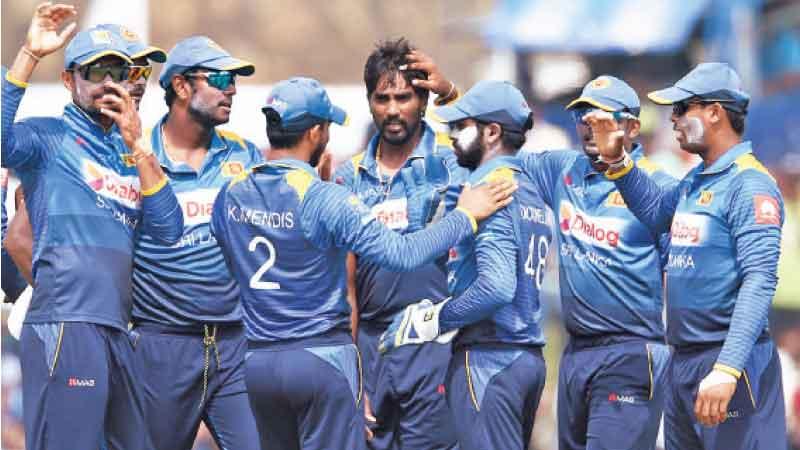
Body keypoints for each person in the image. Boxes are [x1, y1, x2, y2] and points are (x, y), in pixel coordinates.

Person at [210, 76, 514, 450]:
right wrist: (465, 216)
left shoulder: (231, 193)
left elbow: (235, 262)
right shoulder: (325, 197)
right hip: (320, 359)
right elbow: (404, 254)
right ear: (316, 132)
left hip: (257, 363)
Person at [2, 4, 183, 450]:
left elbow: (169, 231)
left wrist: (140, 145)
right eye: (101, 69)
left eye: (128, 70)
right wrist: (28, 54)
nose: (114, 82)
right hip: (66, 324)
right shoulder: (47, 139)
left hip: (118, 329)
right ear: (69, 80)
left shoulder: (134, 152)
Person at [587, 62, 787, 449]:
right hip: (683, 363)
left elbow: (760, 279)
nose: (672, 120)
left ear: (714, 112)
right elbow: (656, 213)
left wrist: (727, 370)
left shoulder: (748, 184)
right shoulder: (696, 179)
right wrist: (617, 162)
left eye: (681, 109)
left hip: (730, 364)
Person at [379, 80, 548, 450]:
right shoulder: (528, 183)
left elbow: (496, 287)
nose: (452, 135)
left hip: (489, 357)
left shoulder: (491, 186)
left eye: (461, 126)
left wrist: (432, 320)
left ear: (491, 132)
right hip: (523, 357)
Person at [523, 75, 674, 450]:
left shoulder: (661, 184)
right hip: (575, 354)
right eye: (584, 117)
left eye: (604, 119)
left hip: (632, 353)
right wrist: (449, 98)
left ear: (633, 127)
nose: (591, 127)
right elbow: (496, 159)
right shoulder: (564, 169)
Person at [127, 36, 262, 450]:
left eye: (234, 80)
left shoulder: (247, 155)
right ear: (182, 87)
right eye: (221, 78)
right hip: (161, 348)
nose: (232, 89)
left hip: (236, 345)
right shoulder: (133, 156)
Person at [332, 37, 464, 449]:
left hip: (436, 344)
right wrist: (351, 373)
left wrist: (450, 93)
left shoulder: (451, 159)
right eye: (382, 97)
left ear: (422, 100)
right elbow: (345, 286)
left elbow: (502, 139)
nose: (392, 109)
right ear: (369, 100)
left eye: (404, 97)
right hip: (372, 347)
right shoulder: (348, 176)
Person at [3, 23, 167, 294]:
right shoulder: (53, 138)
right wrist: (58, 301)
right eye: (128, 71)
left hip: (120, 319)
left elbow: (166, 232)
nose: (136, 82)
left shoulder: (138, 146)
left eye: (142, 72)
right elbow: (17, 239)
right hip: (67, 314)